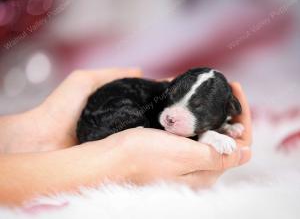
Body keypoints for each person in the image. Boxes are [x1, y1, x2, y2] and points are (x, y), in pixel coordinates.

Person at [0, 68, 252, 206]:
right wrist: (120, 159)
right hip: (107, 119)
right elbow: (182, 135)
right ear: (172, 86)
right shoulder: (156, 103)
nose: (173, 115)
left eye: (196, 107)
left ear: (227, 110)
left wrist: (219, 129)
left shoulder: (219, 112)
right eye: (175, 95)